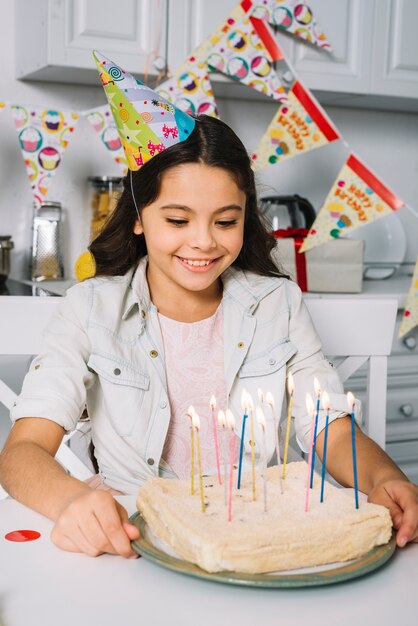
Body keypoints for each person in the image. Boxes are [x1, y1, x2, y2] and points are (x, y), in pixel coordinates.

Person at [1, 68, 418, 560]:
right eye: (178, 220)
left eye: (226, 221)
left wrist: (386, 477)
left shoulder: (276, 304)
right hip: (133, 541)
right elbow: (22, 452)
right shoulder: (89, 309)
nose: (203, 240)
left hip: (256, 539)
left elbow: (330, 427)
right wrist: (72, 499)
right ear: (138, 216)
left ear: (246, 217)